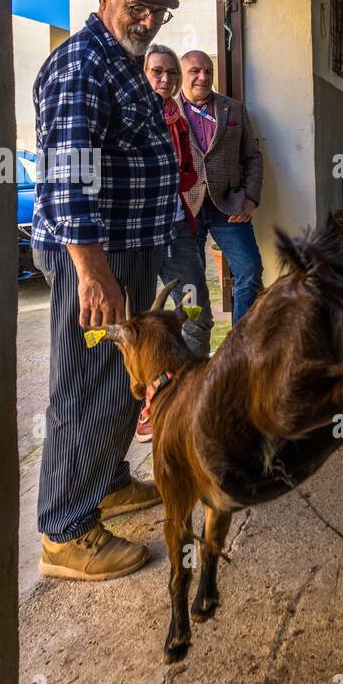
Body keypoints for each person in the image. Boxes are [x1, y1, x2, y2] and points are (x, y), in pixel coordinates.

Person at [30, 0, 179, 581]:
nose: (146, 21)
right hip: (96, 259)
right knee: (87, 382)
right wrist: (92, 270)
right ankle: (65, 532)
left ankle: (107, 481)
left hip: (123, 251)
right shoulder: (82, 64)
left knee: (122, 377)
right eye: (135, 7)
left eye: (158, 13)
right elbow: (68, 177)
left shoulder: (117, 59)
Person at [134, 44, 212, 445]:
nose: (165, 80)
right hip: (139, 237)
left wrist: (178, 192)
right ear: (144, 73)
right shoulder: (130, 115)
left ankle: (192, 399)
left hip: (178, 232)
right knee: (142, 328)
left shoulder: (178, 120)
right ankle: (150, 407)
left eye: (170, 74)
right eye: (157, 72)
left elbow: (188, 172)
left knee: (195, 313)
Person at [178, 50, 265, 322]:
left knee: (249, 271)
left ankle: (240, 344)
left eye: (208, 71)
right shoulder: (166, 110)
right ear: (182, 74)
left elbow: (252, 156)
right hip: (185, 209)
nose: (203, 77)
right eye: (195, 71)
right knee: (189, 281)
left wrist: (250, 198)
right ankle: (195, 342)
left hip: (229, 205)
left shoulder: (233, 108)